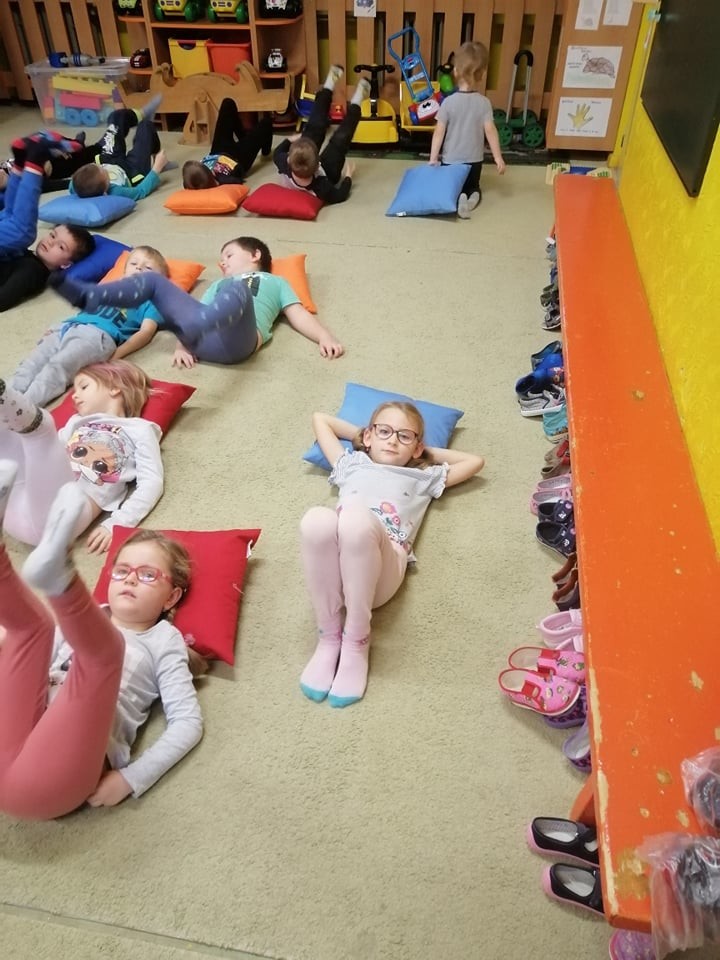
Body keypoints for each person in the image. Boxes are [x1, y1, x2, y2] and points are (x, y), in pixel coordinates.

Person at [0, 466, 204, 819]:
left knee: (105, 655)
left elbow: (187, 723)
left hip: (45, 782)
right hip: (13, 736)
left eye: (147, 575)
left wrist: (131, 778)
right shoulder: (87, 618)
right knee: (32, 630)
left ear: (171, 597)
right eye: (122, 570)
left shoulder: (163, 640)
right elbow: (31, 664)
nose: (130, 580)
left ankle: (61, 575)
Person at [300, 402, 485, 707]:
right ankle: (329, 636)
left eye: (404, 436)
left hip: (381, 573)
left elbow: (475, 461)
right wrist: (368, 435)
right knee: (316, 519)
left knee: (355, 521)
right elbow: (320, 419)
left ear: (417, 447)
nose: (392, 440)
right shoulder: (351, 463)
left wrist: (422, 453)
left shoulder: (423, 477)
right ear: (368, 436)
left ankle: (357, 640)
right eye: (384, 432)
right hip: (334, 574)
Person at [49, 236, 344, 368]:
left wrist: (324, 336)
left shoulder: (275, 281)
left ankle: (202, 326)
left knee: (237, 291)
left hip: (238, 342)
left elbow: (298, 314)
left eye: (228, 255)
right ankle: (90, 295)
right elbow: (195, 311)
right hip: (202, 337)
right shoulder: (217, 284)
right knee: (154, 282)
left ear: (255, 255)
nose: (222, 262)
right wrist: (182, 345)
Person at [0, 359, 163, 553]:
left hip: (65, 516)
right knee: (11, 441)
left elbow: (152, 481)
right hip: (15, 509)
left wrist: (118, 522)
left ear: (115, 388)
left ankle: (10, 401)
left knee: (41, 433)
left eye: (84, 386)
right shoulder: (76, 422)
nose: (74, 396)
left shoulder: (140, 428)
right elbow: (49, 455)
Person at [11, 246, 168, 407]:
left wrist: (118, 354)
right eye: (134, 264)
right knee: (31, 364)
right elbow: (84, 313)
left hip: (97, 336)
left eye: (148, 268)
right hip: (67, 328)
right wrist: (58, 326)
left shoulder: (151, 301)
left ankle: (22, 410)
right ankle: (6, 401)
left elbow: (146, 332)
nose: (139, 268)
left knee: (57, 368)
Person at [0, 141, 95, 312]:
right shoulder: (29, 259)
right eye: (52, 235)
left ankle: (30, 164)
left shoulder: (34, 271)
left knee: (22, 232)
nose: (50, 242)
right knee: (10, 215)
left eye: (61, 246)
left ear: (66, 264)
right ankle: (21, 164)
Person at [429, 40, 506, 219]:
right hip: (474, 161)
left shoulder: (448, 103)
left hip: (451, 161)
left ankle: (459, 197)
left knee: (451, 186)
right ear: (482, 74)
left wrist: (433, 158)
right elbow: (491, 131)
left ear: (455, 71)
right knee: (474, 186)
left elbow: (439, 132)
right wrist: (498, 157)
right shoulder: (484, 103)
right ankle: (472, 197)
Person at [272, 65, 370, 204]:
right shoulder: (322, 187)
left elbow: (277, 152)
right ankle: (357, 100)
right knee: (340, 141)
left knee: (315, 126)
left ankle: (329, 85)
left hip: (307, 167)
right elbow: (339, 195)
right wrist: (348, 177)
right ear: (318, 165)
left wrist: (290, 139)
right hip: (328, 173)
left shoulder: (284, 163)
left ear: (289, 160)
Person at [68, 99, 170, 200]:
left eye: (99, 167)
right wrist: (156, 168)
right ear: (105, 190)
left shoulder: (76, 185)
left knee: (115, 118)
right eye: (104, 171)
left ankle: (139, 114)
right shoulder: (116, 191)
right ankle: (159, 159)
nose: (103, 168)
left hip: (110, 158)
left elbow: (72, 185)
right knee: (146, 126)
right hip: (131, 171)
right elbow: (140, 191)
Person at [182, 97, 273, 189]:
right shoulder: (222, 179)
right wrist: (218, 182)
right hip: (238, 159)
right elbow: (238, 181)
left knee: (228, 103)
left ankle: (243, 137)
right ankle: (266, 152)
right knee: (266, 123)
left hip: (217, 151)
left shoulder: (193, 178)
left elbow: (187, 181)